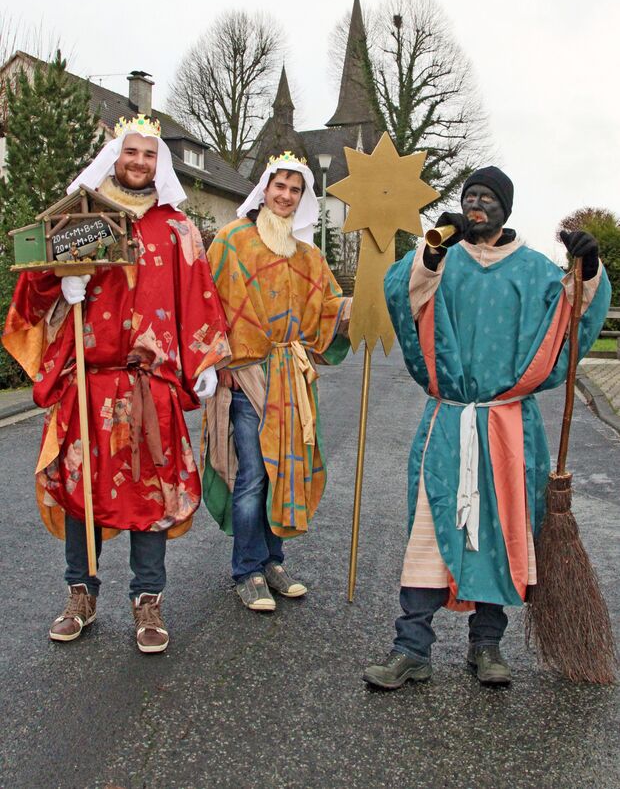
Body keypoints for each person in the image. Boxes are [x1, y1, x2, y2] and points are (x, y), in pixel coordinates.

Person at [363, 166, 611, 688]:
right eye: (469, 196)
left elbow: (572, 312)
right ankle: (411, 647)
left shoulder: (534, 270)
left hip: (507, 425)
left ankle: (487, 646)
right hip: (450, 420)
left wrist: (588, 269)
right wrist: (431, 253)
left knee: (502, 531)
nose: (476, 205)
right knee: (431, 530)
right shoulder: (441, 257)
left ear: (507, 208)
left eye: (487, 198)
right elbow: (401, 293)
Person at [3, 115, 230, 653]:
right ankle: (80, 593)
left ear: (160, 163)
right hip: (88, 383)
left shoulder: (177, 229)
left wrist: (205, 363)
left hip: (151, 387)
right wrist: (60, 280)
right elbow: (30, 295)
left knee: (151, 496)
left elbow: (199, 295)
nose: (139, 163)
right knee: (80, 491)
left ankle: (147, 600)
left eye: (149, 155)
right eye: (131, 153)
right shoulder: (78, 219)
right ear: (115, 157)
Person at [202, 152, 350, 611]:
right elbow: (207, 304)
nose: (285, 196)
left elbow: (330, 308)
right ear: (264, 188)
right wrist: (217, 364)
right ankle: (247, 570)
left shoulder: (308, 255)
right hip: (247, 375)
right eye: (279, 186)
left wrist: (362, 309)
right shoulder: (230, 242)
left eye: (295, 189)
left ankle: (273, 562)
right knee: (251, 476)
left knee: (284, 469)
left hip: (291, 375)